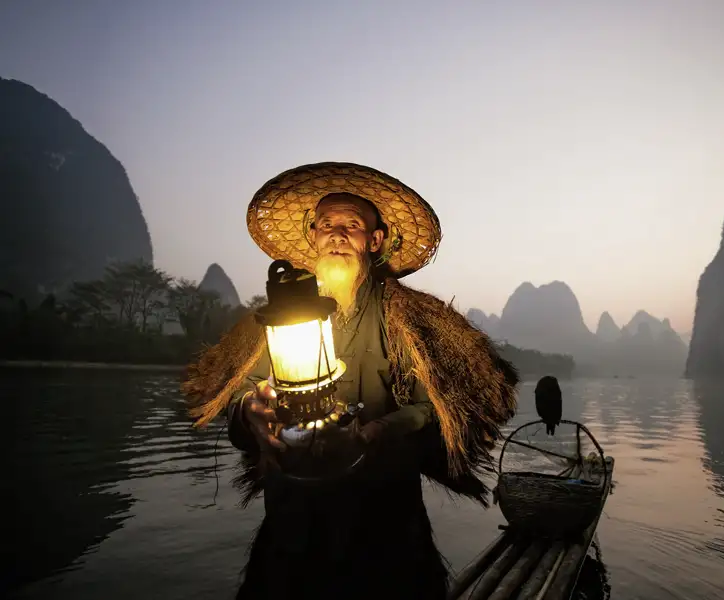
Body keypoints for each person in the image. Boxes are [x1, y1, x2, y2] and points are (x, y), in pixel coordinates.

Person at [182, 162, 519, 600]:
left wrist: (378, 431)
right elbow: (242, 392)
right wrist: (251, 411)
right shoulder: (277, 319)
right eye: (327, 225)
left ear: (374, 241)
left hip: (385, 519)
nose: (337, 235)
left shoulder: (408, 320)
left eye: (352, 225)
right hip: (293, 517)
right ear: (313, 237)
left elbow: (436, 407)